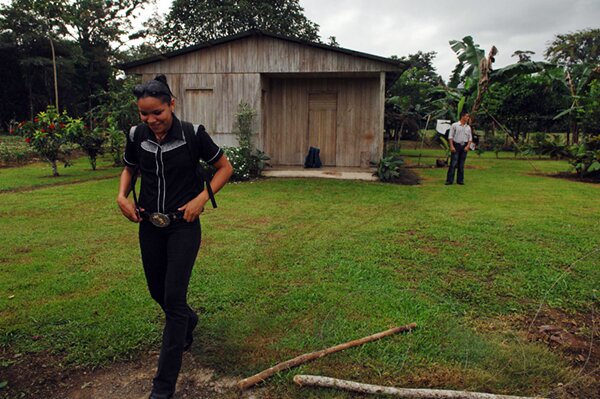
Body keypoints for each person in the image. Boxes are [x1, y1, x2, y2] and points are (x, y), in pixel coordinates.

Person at [116, 74, 233, 399]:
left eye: (158, 113)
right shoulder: (136, 135)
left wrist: (200, 200)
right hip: (149, 225)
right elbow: (129, 168)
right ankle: (188, 321)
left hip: (183, 226)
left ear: (172, 104)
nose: (152, 120)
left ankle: (162, 387)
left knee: (173, 301)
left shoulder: (193, 134)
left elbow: (225, 167)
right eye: (145, 114)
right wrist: (122, 197)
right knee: (157, 291)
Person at [445, 111, 473, 185]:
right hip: (456, 145)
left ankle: (460, 180)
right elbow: (450, 136)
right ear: (462, 116)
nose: (468, 118)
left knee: (461, 164)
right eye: (466, 116)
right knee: (453, 163)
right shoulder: (455, 125)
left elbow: (470, 138)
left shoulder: (468, 127)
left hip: (464, 146)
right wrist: (451, 146)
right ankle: (449, 180)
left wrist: (468, 146)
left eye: (468, 117)